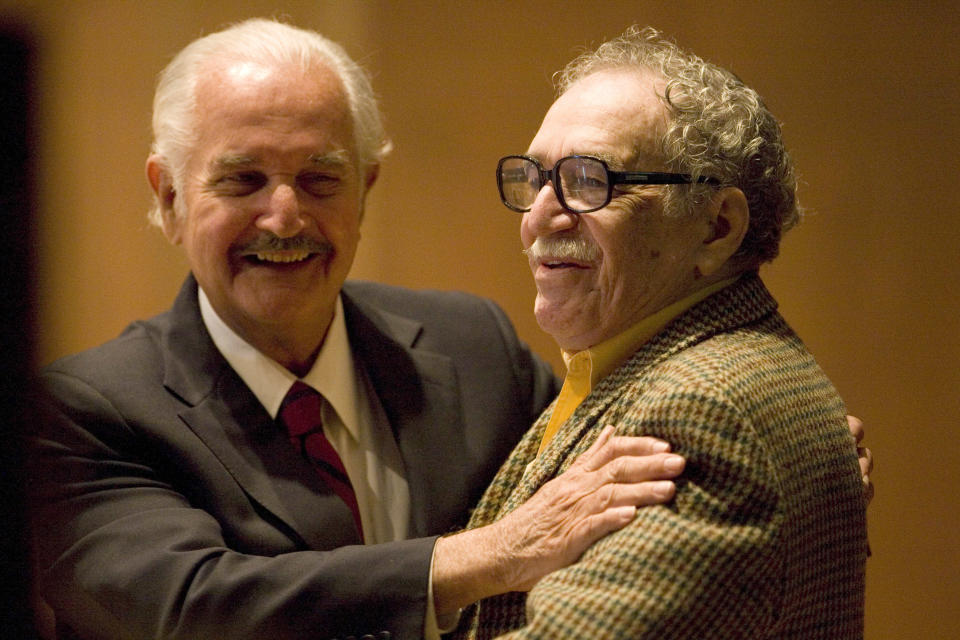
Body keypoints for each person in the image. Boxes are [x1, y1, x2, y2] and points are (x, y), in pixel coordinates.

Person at [28, 18, 872, 640]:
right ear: (169, 195)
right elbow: (187, 609)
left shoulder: (473, 347)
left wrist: (799, 456)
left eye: (320, 180)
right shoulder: (76, 410)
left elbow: (632, 447)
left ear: (367, 186)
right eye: (242, 179)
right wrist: (479, 557)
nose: (282, 216)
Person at [452, 26, 870, 639]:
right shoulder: (639, 367)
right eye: (535, 178)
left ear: (715, 227)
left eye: (589, 180)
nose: (538, 217)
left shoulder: (706, 414)